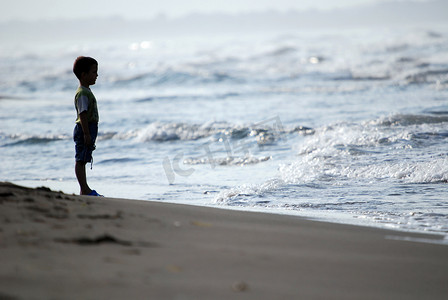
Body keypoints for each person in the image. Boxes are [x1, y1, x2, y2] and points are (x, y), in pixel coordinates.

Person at [72, 56, 103, 196]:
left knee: (84, 158)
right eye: (94, 72)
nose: (96, 75)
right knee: (81, 159)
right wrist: (86, 133)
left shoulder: (86, 91)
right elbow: (82, 114)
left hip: (89, 128)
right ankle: (84, 189)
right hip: (85, 128)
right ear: (83, 75)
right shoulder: (83, 93)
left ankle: (84, 188)